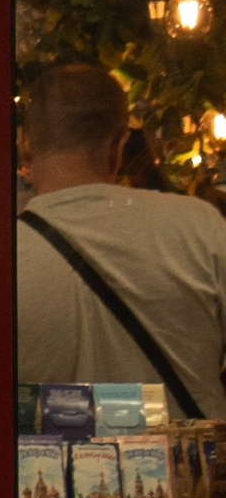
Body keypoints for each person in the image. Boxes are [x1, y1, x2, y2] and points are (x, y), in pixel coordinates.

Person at [16, 57, 226, 419]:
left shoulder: (2, 253)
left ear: (25, 143)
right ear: (120, 144)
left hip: (39, 474)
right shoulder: (200, 226)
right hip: (188, 474)